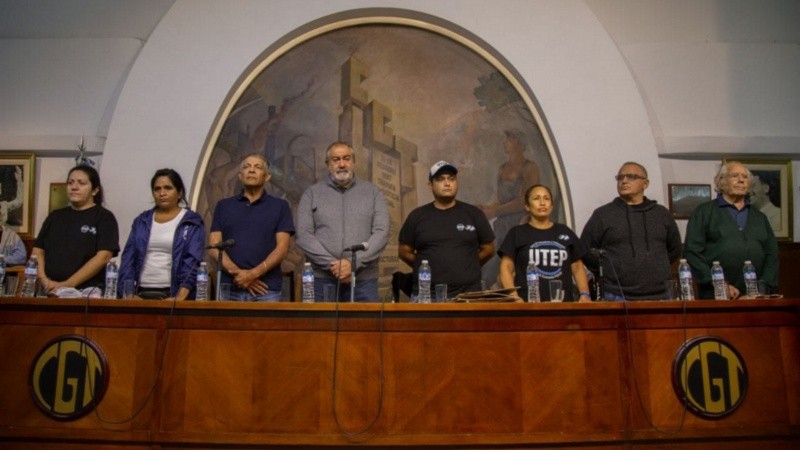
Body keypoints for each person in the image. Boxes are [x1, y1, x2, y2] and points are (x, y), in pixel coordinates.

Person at [296, 142, 389, 302]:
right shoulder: (311, 194)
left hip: (363, 282)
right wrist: (335, 266)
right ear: (328, 164)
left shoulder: (373, 193)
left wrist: (353, 264)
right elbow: (304, 235)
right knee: (321, 326)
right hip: (321, 281)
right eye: (335, 159)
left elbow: (382, 233)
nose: (341, 164)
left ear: (353, 162)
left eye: (346, 158)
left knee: (363, 326)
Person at [580, 162, 681, 300]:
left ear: (645, 183)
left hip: (661, 295)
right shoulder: (603, 214)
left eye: (631, 177)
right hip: (616, 295)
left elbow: (674, 249)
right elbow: (585, 250)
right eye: (620, 177)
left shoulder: (662, 214)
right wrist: (608, 270)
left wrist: (656, 266)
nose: (624, 181)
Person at [399, 161, 495, 298]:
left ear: (457, 183)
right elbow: (404, 251)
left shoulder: (474, 214)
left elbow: (489, 249)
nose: (447, 183)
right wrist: (426, 264)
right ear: (430, 186)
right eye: (440, 179)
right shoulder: (417, 216)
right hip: (427, 296)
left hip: (468, 295)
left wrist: (468, 264)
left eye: (451, 179)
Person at [684, 161, 779, 299]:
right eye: (735, 176)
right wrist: (718, 284)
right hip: (717, 294)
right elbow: (692, 252)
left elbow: (772, 254)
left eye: (745, 177)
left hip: (756, 296)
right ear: (721, 182)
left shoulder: (759, 217)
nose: (741, 180)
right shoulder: (704, 212)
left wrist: (763, 287)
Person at [210, 154, 294, 301]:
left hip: (266, 289)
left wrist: (253, 275)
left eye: (258, 167)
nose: (251, 170)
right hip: (230, 287)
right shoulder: (224, 206)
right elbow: (214, 247)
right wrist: (240, 275)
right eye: (247, 167)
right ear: (240, 176)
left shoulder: (280, 206)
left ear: (267, 177)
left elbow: (282, 248)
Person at [118, 169, 205, 300]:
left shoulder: (192, 221)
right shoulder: (142, 220)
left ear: (179, 193)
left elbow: (192, 263)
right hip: (140, 292)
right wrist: (129, 294)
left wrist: (179, 298)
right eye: (157, 189)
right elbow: (128, 259)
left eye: (168, 188)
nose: (162, 193)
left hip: (173, 293)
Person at [33, 165, 120, 295]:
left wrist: (67, 284)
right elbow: (37, 251)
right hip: (48, 288)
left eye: (81, 183)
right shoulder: (55, 216)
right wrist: (44, 280)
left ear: (95, 190)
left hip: (87, 291)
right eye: (70, 182)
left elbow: (103, 256)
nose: (74, 187)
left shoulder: (104, 217)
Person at [498, 184, 590, 302]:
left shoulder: (564, 231)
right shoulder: (517, 233)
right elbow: (506, 267)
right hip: (528, 305)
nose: (542, 203)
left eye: (546, 198)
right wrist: (514, 296)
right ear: (527, 206)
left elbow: (577, 267)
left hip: (563, 304)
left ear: (551, 206)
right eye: (536, 198)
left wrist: (585, 294)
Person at [479, 130, 540, 289]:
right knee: (493, 252)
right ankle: (485, 286)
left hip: (520, 221)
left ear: (519, 144)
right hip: (502, 223)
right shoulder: (502, 168)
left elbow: (525, 201)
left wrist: (495, 211)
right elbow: (499, 199)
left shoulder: (529, 167)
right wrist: (487, 209)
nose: (505, 143)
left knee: (509, 258)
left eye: (509, 140)